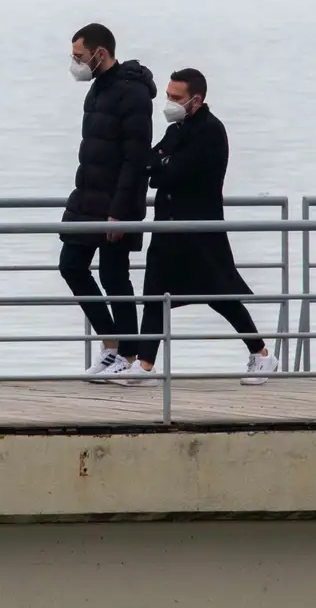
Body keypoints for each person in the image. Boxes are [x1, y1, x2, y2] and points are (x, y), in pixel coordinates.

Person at [113, 67, 278, 386]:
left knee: (221, 294)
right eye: (167, 96)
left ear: (196, 100)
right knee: (154, 295)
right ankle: (144, 365)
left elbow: (172, 173)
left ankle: (261, 354)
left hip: (199, 230)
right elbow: (153, 163)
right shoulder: (178, 128)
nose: (169, 103)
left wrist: (162, 165)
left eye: (176, 97)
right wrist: (161, 164)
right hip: (167, 229)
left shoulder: (211, 131)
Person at [59, 22, 156, 382]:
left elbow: (135, 158)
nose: (75, 63)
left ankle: (127, 355)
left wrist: (120, 212)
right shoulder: (98, 89)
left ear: (101, 53)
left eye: (79, 56)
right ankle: (112, 344)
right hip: (88, 196)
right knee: (71, 265)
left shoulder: (132, 94)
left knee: (115, 277)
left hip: (117, 203)